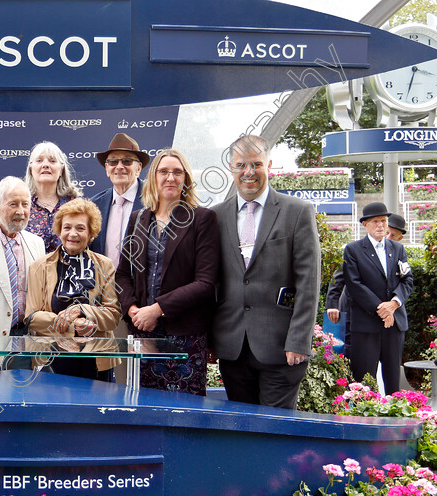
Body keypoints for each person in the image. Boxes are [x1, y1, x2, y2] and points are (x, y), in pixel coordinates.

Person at [211, 134, 321, 409]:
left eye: (256, 164)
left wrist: (299, 339)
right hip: (233, 349)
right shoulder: (215, 216)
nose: (249, 172)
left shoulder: (297, 211)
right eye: (241, 165)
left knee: (276, 433)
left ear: (269, 165)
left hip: (283, 349)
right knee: (243, 435)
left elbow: (309, 283)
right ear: (231, 168)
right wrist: (211, 340)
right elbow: (211, 283)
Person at [116, 148, 219, 395]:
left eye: (177, 172)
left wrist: (157, 309)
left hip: (186, 338)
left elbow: (205, 283)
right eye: (163, 172)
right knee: (144, 409)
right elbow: (121, 275)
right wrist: (134, 311)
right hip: (144, 335)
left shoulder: (202, 219)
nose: (170, 178)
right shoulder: (138, 219)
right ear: (153, 178)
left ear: (186, 179)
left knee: (185, 414)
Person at [25, 198, 122, 381]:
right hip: (53, 358)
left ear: (91, 232)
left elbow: (113, 316)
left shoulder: (105, 265)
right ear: (59, 231)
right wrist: (72, 325)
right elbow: (32, 317)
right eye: (67, 227)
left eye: (80, 228)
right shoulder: (39, 267)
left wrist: (82, 310)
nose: (72, 234)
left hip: (97, 359)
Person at [0, 177, 46, 373]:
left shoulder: (37, 243)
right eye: (13, 204)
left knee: (24, 400)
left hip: (26, 345)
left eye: (25, 204)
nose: (20, 211)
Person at [343, 202, 413, 394]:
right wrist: (383, 310)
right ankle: (363, 422)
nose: (381, 225)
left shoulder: (398, 249)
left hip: (394, 324)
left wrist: (393, 304)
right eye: (375, 221)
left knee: (393, 382)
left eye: (384, 221)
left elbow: (407, 280)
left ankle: (392, 420)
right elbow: (354, 285)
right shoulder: (353, 249)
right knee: (364, 383)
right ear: (365, 224)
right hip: (366, 325)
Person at [90, 133, 148, 267]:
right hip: (102, 285)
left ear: (138, 168)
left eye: (127, 161)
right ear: (107, 168)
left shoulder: (154, 200)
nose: (119, 166)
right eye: (113, 162)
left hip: (141, 286)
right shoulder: (94, 205)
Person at [24, 141, 82, 253]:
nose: (45, 165)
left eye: (52, 161)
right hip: (30, 270)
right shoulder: (22, 206)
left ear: (61, 170)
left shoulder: (77, 205)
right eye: (39, 160)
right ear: (31, 169)